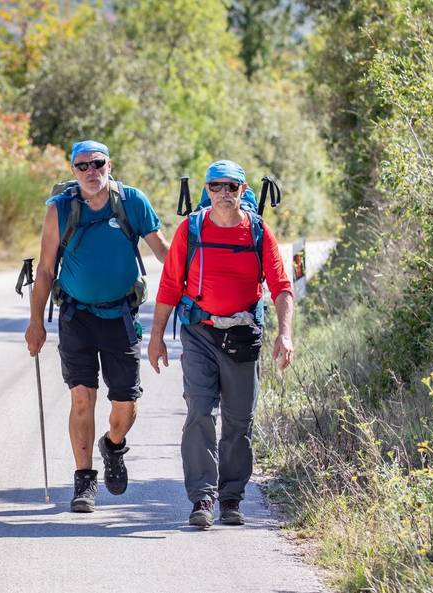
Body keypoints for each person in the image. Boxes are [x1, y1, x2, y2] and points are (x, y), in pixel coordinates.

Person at [147, 160, 294, 528]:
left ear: (244, 191)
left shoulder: (258, 232)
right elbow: (169, 286)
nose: (224, 193)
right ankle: (202, 498)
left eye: (231, 186)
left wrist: (285, 334)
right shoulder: (191, 229)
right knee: (199, 410)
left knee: (239, 418)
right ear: (207, 190)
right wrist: (156, 338)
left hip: (243, 333)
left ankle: (231, 498)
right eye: (217, 187)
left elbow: (281, 286)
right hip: (199, 331)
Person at [25, 140, 169, 512]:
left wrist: (193, 283)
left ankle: (114, 445)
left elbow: (164, 252)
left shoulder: (133, 202)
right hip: (76, 316)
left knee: (125, 403)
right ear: (73, 171)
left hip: (120, 315)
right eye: (82, 166)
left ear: (110, 165)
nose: (91, 171)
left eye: (97, 163)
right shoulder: (60, 209)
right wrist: (35, 323)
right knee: (81, 397)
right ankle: (84, 481)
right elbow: (44, 270)